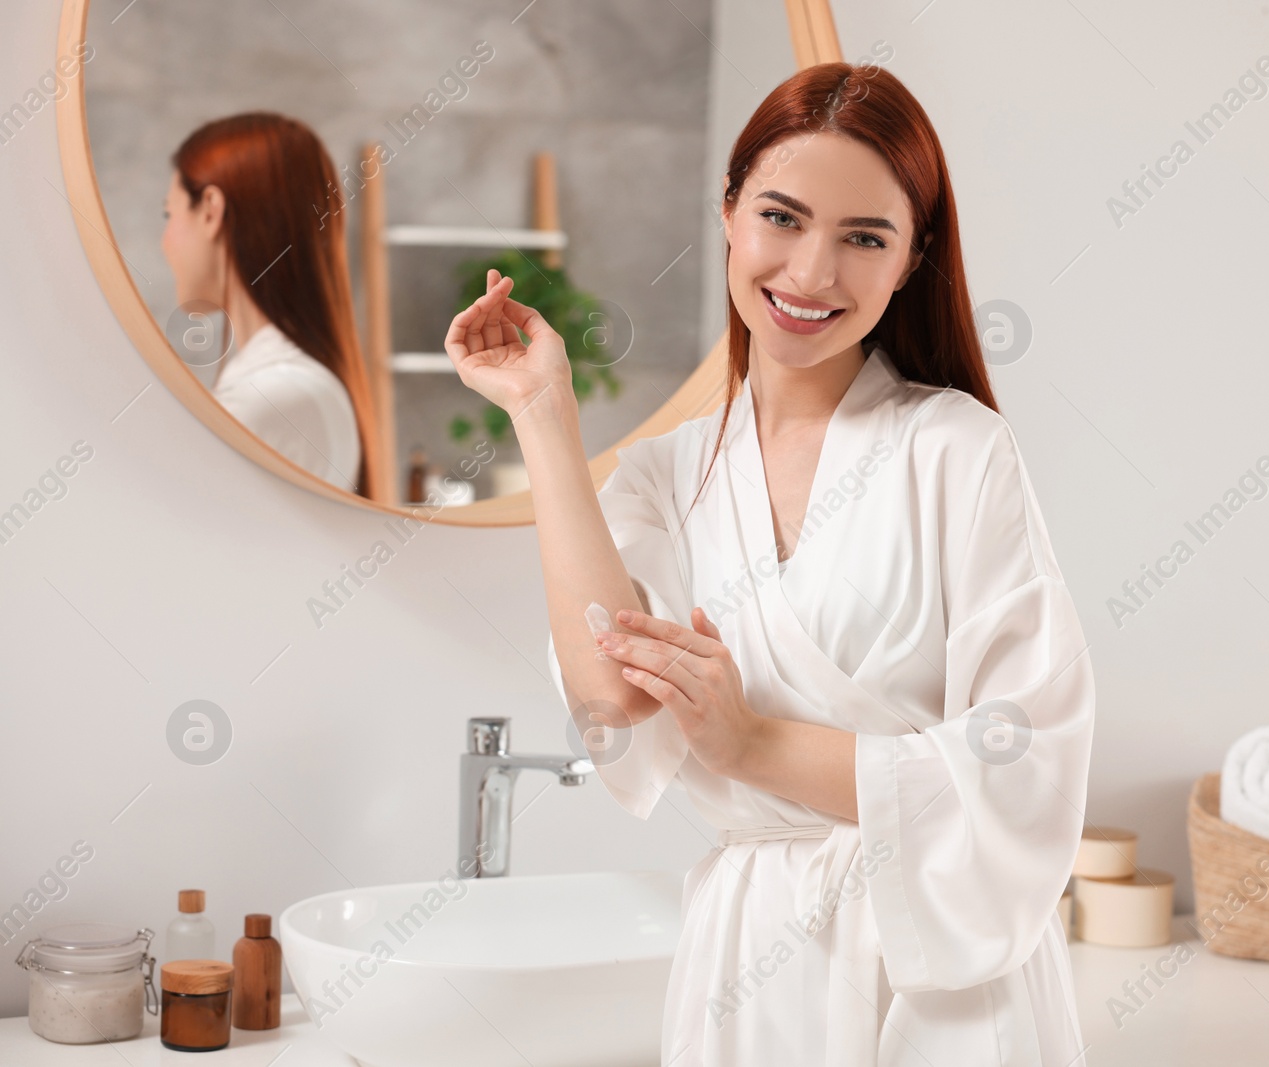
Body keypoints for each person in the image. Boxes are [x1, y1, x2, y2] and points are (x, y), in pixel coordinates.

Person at [445, 62, 1094, 1066]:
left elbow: (1028, 759)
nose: (810, 273)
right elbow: (614, 700)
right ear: (729, 214)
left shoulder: (955, 450)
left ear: (912, 259)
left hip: (946, 980)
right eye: (782, 219)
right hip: (753, 966)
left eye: (864, 238)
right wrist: (540, 410)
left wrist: (749, 743)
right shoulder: (668, 476)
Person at [161, 112, 378, 497]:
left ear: (211, 210)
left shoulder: (267, 397)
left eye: (169, 214)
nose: (165, 242)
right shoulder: (287, 385)